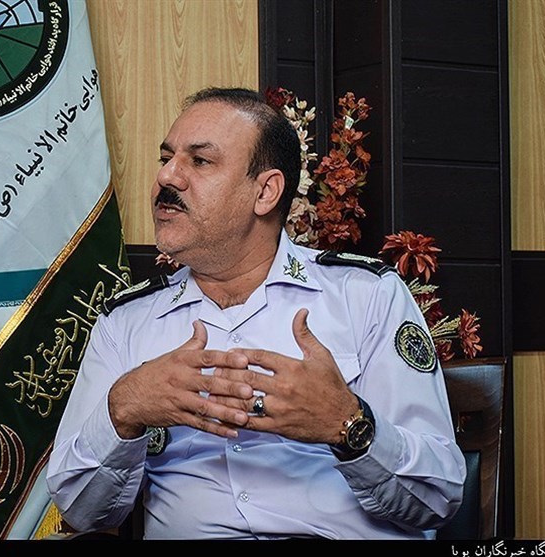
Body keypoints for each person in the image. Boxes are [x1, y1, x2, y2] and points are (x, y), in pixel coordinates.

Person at [46, 87, 466, 540]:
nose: (167, 176)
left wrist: (347, 424)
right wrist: (124, 408)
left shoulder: (366, 297)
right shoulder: (126, 322)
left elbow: (436, 498)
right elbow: (84, 513)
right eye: (166, 158)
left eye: (199, 161)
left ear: (265, 192)